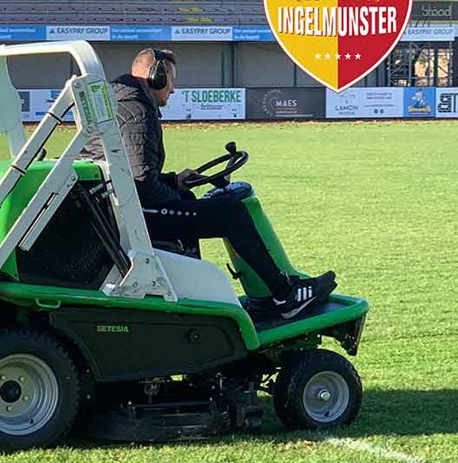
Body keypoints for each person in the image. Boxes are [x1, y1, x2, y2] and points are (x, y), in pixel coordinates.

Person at [83, 48, 335, 319]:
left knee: (193, 202)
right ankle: (285, 295)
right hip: (128, 215)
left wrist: (173, 181)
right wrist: (173, 195)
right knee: (232, 214)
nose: (174, 89)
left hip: (113, 207)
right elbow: (142, 183)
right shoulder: (137, 113)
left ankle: (193, 292)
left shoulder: (124, 103)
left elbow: (132, 172)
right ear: (157, 76)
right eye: (172, 81)